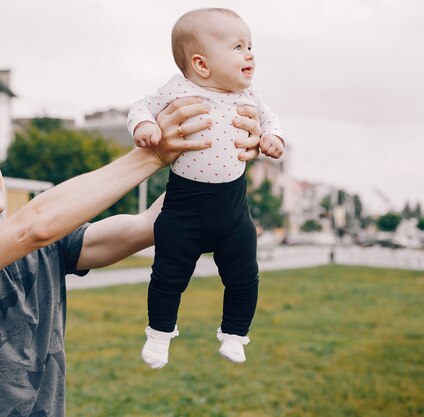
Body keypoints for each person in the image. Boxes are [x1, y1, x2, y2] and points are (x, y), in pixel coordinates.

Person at [0, 98, 263, 417]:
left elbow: (149, 225)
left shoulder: (51, 244)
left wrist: (218, 158)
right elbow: (32, 227)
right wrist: (151, 155)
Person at [127, 8, 286, 369]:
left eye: (250, 46)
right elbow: (141, 106)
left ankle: (234, 334)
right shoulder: (178, 89)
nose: (250, 54)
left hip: (233, 210)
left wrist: (273, 137)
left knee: (245, 276)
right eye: (238, 47)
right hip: (184, 209)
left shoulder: (251, 96)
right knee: (167, 277)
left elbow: (270, 119)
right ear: (201, 64)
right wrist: (144, 128)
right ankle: (159, 334)